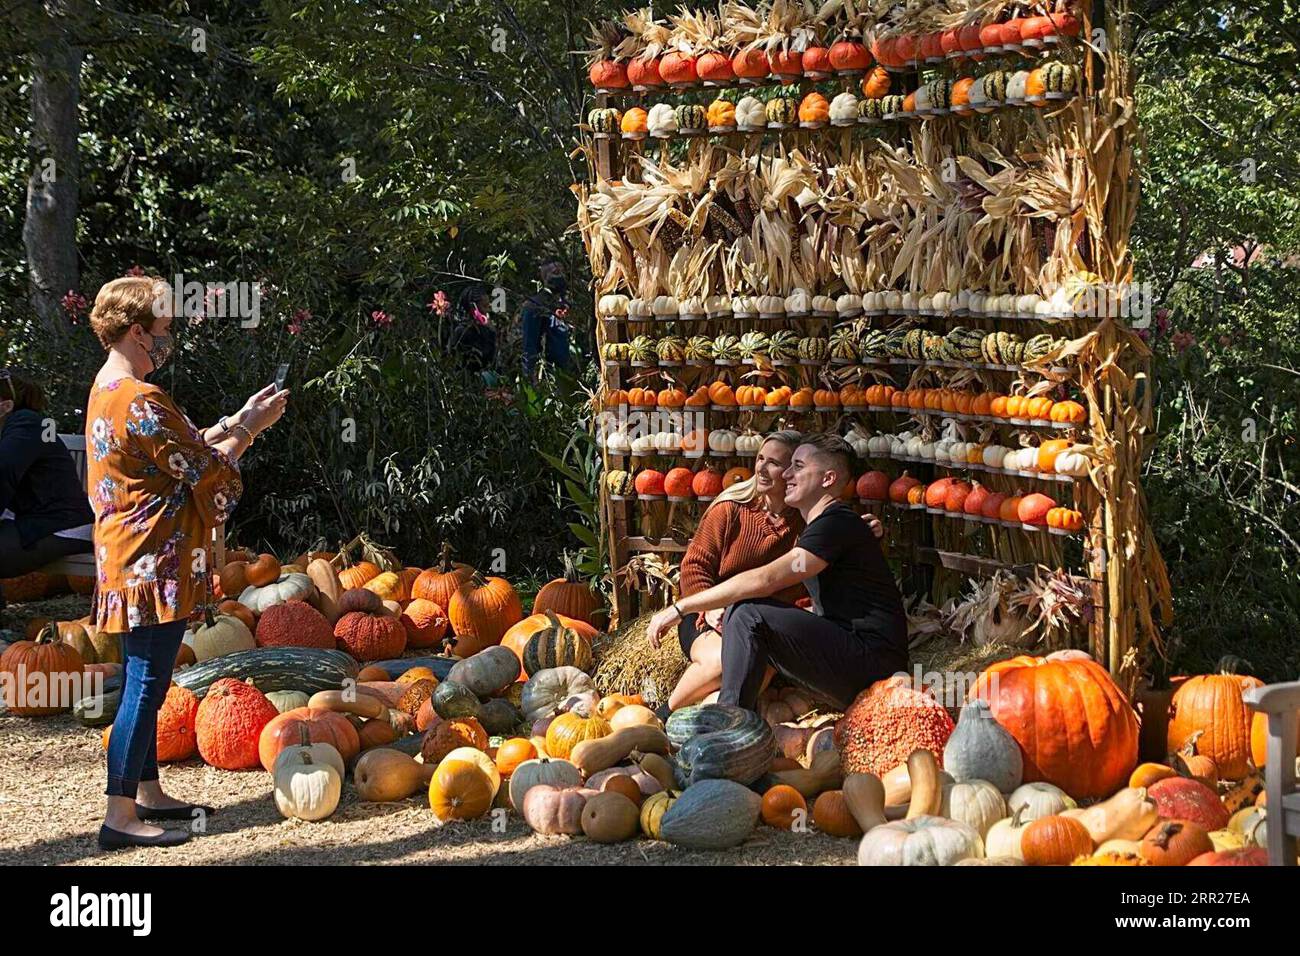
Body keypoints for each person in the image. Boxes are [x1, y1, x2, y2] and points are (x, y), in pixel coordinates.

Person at [86, 275, 287, 850]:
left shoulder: (108, 389)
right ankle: (118, 815)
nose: (166, 342)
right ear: (133, 331)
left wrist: (233, 420)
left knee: (140, 679)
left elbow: (182, 449)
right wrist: (251, 430)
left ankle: (146, 789)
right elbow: (208, 473)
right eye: (162, 332)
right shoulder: (143, 400)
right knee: (146, 686)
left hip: (125, 561)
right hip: (155, 562)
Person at [648, 433, 907, 712]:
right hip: (850, 654)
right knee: (746, 617)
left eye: (797, 466)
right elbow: (698, 565)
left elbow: (767, 579)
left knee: (748, 614)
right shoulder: (826, 525)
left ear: (828, 479)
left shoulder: (834, 524)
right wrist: (704, 608)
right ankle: (718, 718)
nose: (787, 473)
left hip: (872, 665)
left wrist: (681, 607)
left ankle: (726, 723)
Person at [0, 370, 95, 611]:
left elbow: (3, 475)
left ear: (5, 406)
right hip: (32, 520)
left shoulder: (28, 425)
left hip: (62, 526)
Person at [520, 261, 573, 378]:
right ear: (544, 276)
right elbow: (529, 345)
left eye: (563, 272)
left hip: (569, 374)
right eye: (556, 273)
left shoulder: (567, 304)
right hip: (549, 375)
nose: (561, 276)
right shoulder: (534, 305)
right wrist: (530, 376)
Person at [447, 283, 498, 373]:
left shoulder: (486, 330)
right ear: (473, 308)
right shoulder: (462, 331)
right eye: (484, 306)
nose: (487, 311)